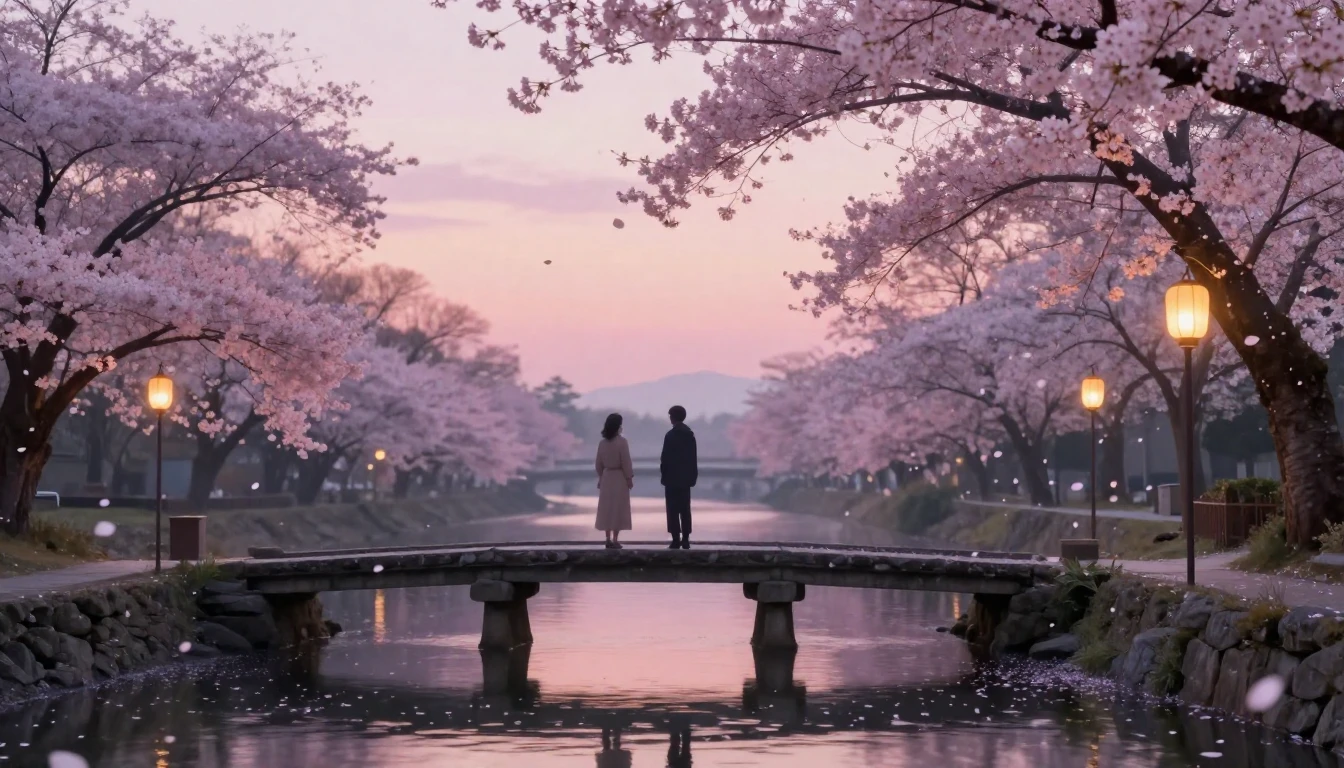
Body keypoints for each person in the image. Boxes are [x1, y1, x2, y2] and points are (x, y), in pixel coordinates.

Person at [659, 405, 698, 549]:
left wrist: (664, 475)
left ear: (672, 417)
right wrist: (693, 476)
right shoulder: (689, 434)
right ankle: (686, 538)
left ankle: (676, 539)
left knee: (673, 510)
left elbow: (665, 458)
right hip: (686, 479)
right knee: (685, 509)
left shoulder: (670, 435)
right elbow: (693, 458)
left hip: (671, 478)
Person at [594, 413, 633, 548]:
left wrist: (601, 477)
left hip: (606, 477)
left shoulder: (602, 443)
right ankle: (615, 540)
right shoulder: (622, 442)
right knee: (617, 508)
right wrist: (629, 478)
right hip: (619, 477)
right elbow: (626, 462)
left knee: (606, 509)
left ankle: (607, 538)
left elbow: (598, 463)